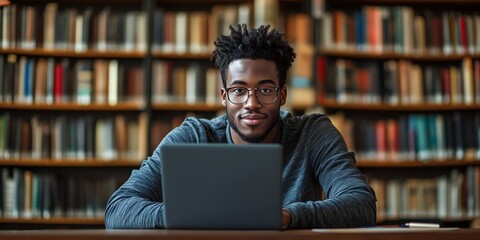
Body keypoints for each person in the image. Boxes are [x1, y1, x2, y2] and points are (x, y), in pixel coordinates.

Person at [105, 24, 376, 229]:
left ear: (282, 95)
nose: (251, 103)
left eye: (265, 89)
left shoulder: (313, 134)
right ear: (224, 95)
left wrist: (289, 216)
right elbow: (118, 209)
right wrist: (185, 215)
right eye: (239, 90)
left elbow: (361, 203)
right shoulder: (194, 136)